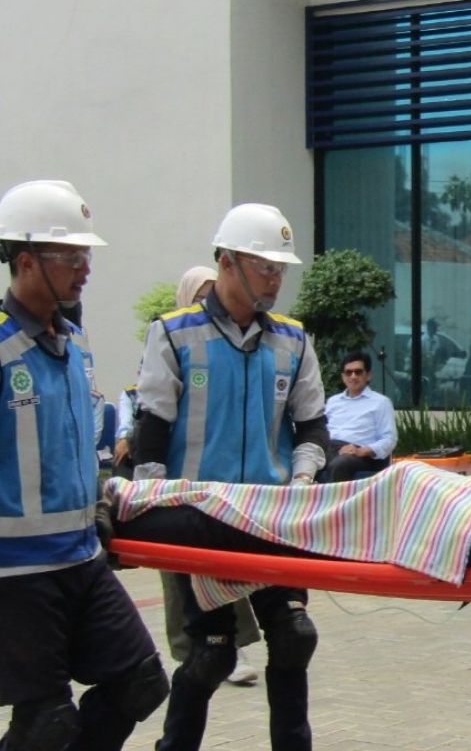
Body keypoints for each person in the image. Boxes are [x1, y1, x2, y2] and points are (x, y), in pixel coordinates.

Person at [133, 203, 329, 751]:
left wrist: (304, 479)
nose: (276, 279)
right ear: (227, 261)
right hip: (198, 518)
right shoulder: (174, 335)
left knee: (294, 638)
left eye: (280, 269)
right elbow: (151, 434)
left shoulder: (293, 340)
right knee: (212, 653)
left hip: (272, 516)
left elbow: (312, 425)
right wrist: (156, 512)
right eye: (265, 266)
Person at [0, 179, 169, 749]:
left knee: (140, 683)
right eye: (71, 256)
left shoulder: (76, 347)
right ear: (25, 261)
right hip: (15, 573)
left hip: (81, 557)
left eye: (86, 255)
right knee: (46, 723)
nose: (85, 268)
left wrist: (100, 499)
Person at [151, 266, 263, 687]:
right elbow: (155, 415)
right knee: (179, 576)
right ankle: (192, 651)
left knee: (227, 571)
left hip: (225, 485)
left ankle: (232, 647)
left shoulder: (239, 347)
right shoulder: (171, 342)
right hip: (181, 484)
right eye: (199, 296)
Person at [323, 350, 397, 482]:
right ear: (343, 376)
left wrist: (361, 451)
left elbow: (389, 439)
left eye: (358, 372)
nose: (353, 376)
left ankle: (340, 502)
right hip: (330, 449)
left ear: (368, 375)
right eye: (348, 372)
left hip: (361, 454)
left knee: (340, 464)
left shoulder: (381, 402)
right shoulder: (333, 401)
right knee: (305, 462)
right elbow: (322, 429)